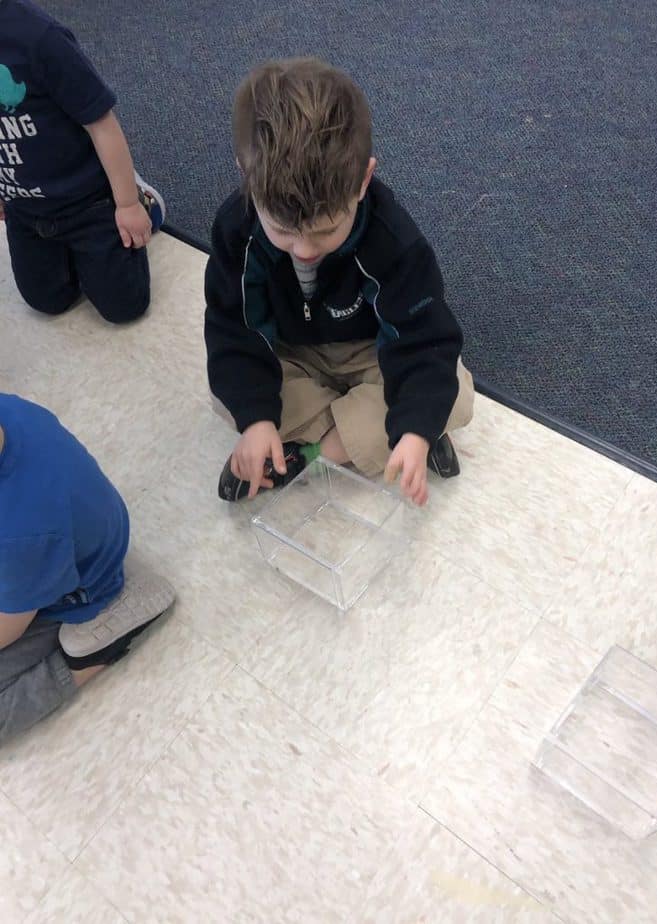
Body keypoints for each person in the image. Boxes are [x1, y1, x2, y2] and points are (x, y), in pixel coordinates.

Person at [205, 57, 474, 507]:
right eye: (284, 232)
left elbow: (424, 340)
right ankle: (371, 439)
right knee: (228, 396)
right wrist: (255, 419)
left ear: (363, 181)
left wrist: (415, 427)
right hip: (291, 352)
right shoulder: (237, 230)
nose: (305, 250)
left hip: (373, 352)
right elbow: (233, 328)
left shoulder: (394, 242)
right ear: (246, 177)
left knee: (454, 395)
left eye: (326, 230)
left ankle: (313, 452)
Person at [0, 393, 175, 745]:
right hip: (60, 541)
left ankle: (93, 654)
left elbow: (9, 629)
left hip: (76, 585)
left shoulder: (21, 535)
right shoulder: (8, 409)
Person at [0, 0, 165, 324]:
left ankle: (141, 195)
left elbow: (100, 121)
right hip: (25, 207)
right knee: (47, 300)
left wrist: (127, 204)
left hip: (85, 200)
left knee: (124, 306)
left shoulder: (38, 38)